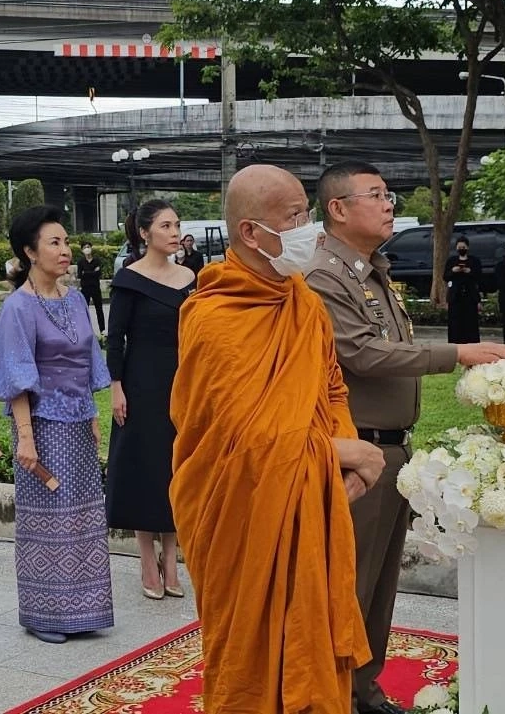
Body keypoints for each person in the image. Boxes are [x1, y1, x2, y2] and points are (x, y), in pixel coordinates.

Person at [306, 161, 505, 714]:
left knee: (378, 585)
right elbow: (362, 353)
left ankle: (364, 690)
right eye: (376, 195)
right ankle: (332, 696)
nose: (388, 205)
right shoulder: (325, 276)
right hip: (358, 451)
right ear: (338, 209)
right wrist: (458, 353)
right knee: (349, 585)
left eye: (388, 195)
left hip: (391, 449)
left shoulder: (370, 271)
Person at [170, 164, 385, 714]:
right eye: (294, 217)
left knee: (314, 644)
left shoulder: (302, 302)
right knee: (249, 657)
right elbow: (244, 441)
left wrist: (344, 465)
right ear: (251, 232)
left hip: (309, 495)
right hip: (242, 510)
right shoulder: (215, 317)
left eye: (306, 213)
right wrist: (345, 452)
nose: (308, 228)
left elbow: (331, 387)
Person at [0, 204, 114, 645]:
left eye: (66, 241)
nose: (65, 250)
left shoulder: (75, 299)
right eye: (54, 243)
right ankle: (44, 613)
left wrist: (92, 415)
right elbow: (16, 375)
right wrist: (25, 439)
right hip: (41, 425)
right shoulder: (17, 308)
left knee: (83, 515)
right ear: (29, 252)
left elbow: (87, 361)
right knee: (48, 519)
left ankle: (84, 609)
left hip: (78, 420)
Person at [105, 199, 195, 600]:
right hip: (140, 385)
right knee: (144, 469)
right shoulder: (129, 279)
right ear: (144, 233)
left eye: (176, 225)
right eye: (165, 226)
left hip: (182, 385)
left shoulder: (191, 277)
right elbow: (115, 339)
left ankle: (172, 559)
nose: (174, 232)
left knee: (176, 468)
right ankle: (146, 559)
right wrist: (116, 388)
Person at [443, 236, 482, 343]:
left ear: (467, 247)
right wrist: (453, 271)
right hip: (455, 296)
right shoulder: (452, 261)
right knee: (455, 323)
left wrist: (469, 271)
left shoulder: (474, 261)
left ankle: (472, 344)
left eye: (463, 247)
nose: (461, 249)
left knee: (470, 323)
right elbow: (445, 277)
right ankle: (455, 344)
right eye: (459, 247)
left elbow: (479, 277)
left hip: (470, 296)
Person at [75, 242, 106, 334]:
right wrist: (92, 272)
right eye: (85, 247)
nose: (87, 249)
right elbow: (80, 275)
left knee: (99, 309)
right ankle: (85, 331)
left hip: (95, 287)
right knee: (84, 310)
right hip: (85, 288)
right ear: (82, 250)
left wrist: (86, 273)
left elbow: (99, 273)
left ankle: (102, 330)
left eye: (88, 247)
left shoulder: (97, 260)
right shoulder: (80, 262)